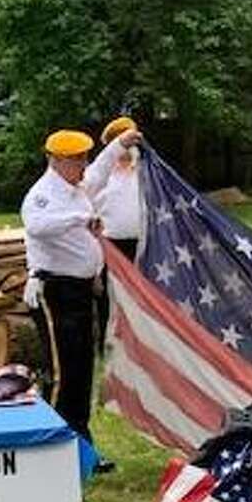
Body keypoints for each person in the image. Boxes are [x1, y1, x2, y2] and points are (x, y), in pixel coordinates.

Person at [20, 126, 142, 474]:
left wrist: (121, 142)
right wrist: (80, 218)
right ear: (56, 160)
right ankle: (52, 452)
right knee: (62, 374)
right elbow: (37, 225)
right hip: (54, 291)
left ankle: (81, 449)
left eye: (84, 157)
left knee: (82, 372)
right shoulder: (43, 194)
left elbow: (102, 169)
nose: (84, 165)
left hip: (80, 290)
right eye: (76, 159)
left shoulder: (78, 188)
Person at [92, 116, 145, 351]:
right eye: (123, 141)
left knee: (139, 295)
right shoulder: (101, 175)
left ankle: (138, 342)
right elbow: (90, 205)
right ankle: (107, 341)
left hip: (141, 242)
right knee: (108, 296)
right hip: (109, 244)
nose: (129, 146)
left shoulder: (144, 171)